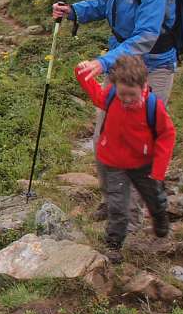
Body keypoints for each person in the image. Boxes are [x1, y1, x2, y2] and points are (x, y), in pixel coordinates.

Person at [52, 0, 178, 217]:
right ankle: (114, 201)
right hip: (120, 63)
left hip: (154, 65)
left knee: (139, 140)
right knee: (104, 137)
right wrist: (74, 11)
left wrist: (103, 62)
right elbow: (103, 4)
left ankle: (134, 211)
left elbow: (146, 36)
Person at [74, 54, 175, 262]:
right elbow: (94, 93)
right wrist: (82, 71)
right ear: (115, 86)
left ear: (143, 86)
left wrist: (158, 172)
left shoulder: (153, 106)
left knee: (154, 198)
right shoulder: (111, 96)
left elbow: (166, 136)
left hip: (143, 163)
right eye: (123, 94)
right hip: (114, 163)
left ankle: (160, 221)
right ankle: (113, 245)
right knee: (117, 206)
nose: (127, 99)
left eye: (132, 95)